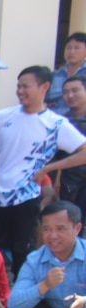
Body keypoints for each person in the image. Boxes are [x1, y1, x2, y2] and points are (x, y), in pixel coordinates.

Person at [0, 66, 86, 277]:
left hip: (26, 197)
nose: (20, 91)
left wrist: (50, 168)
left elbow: (83, 152)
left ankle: (21, 296)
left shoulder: (56, 124)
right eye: (18, 86)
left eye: (26, 86)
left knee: (22, 250)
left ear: (45, 87)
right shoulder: (2, 117)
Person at [6, 200, 86, 308]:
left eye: (60, 229)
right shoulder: (34, 260)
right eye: (47, 229)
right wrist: (44, 286)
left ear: (77, 228)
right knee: (21, 306)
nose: (52, 236)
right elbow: (13, 304)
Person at [59, 76, 86, 216]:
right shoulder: (61, 122)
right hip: (69, 183)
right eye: (65, 92)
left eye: (75, 90)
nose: (70, 96)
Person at [48, 33, 86, 115]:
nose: (71, 52)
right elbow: (45, 98)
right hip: (55, 120)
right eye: (69, 48)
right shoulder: (55, 75)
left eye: (76, 48)